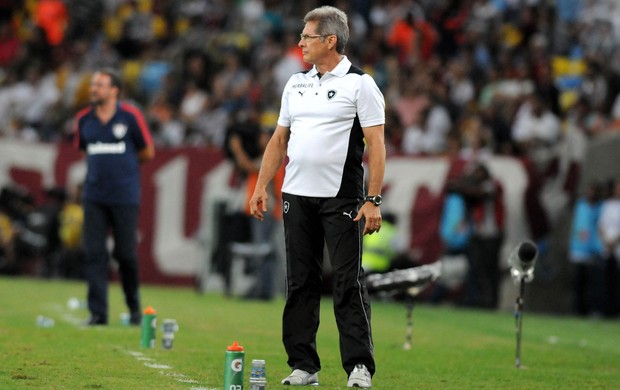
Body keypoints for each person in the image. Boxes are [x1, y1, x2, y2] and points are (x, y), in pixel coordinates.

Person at [248, 6, 385, 388]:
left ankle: (358, 366)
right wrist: (262, 185)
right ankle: (304, 365)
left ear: (330, 40)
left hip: (341, 197)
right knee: (300, 282)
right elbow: (279, 139)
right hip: (296, 195)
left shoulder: (361, 84)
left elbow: (376, 144)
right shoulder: (295, 83)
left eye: (307, 37)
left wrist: (372, 199)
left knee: (347, 281)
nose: (300, 43)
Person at [74, 68, 155, 326]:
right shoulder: (83, 120)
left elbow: (147, 152)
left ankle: (133, 308)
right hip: (94, 196)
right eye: (93, 84)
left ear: (114, 90)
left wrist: (124, 169)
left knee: (125, 254)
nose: (93, 89)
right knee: (94, 253)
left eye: (99, 85)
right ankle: (98, 313)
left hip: (125, 196)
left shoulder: (130, 116)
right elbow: (85, 151)